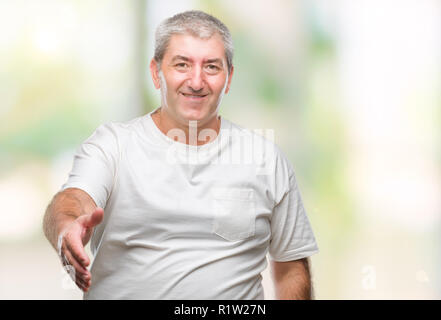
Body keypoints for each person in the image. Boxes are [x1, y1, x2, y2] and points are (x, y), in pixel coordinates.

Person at [43, 10, 319, 300]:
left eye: (211, 67)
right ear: (156, 72)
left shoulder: (266, 159)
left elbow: (291, 269)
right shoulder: (113, 145)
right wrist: (67, 227)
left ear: (229, 77)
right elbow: (74, 199)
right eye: (182, 65)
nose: (196, 81)